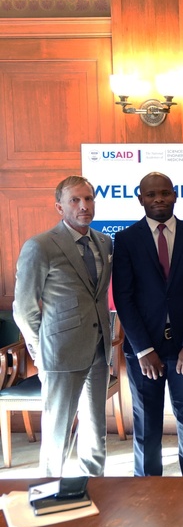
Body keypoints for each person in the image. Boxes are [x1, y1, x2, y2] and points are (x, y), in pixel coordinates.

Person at [12, 176, 114, 477]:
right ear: (60, 206)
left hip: (98, 348)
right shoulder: (41, 246)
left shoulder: (104, 242)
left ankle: (95, 487)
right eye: (75, 200)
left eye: (89, 199)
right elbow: (24, 307)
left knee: (96, 429)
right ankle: (48, 488)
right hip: (59, 351)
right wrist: (39, 351)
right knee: (57, 429)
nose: (84, 206)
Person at [113, 172, 183, 477]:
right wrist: (144, 350)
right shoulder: (127, 239)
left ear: (175, 196)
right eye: (152, 194)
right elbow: (123, 298)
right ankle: (147, 485)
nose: (159, 199)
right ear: (140, 198)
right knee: (146, 421)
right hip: (145, 349)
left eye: (165, 193)